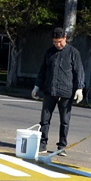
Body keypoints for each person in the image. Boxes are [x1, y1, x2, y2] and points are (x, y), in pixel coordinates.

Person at [32, 27, 85, 156]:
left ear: (65, 38)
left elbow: (79, 71)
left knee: (65, 121)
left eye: (59, 42)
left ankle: (62, 146)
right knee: (44, 120)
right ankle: (42, 144)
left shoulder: (73, 53)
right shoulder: (49, 52)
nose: (57, 44)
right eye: (55, 42)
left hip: (66, 92)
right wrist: (37, 85)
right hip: (50, 90)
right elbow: (43, 70)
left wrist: (79, 88)